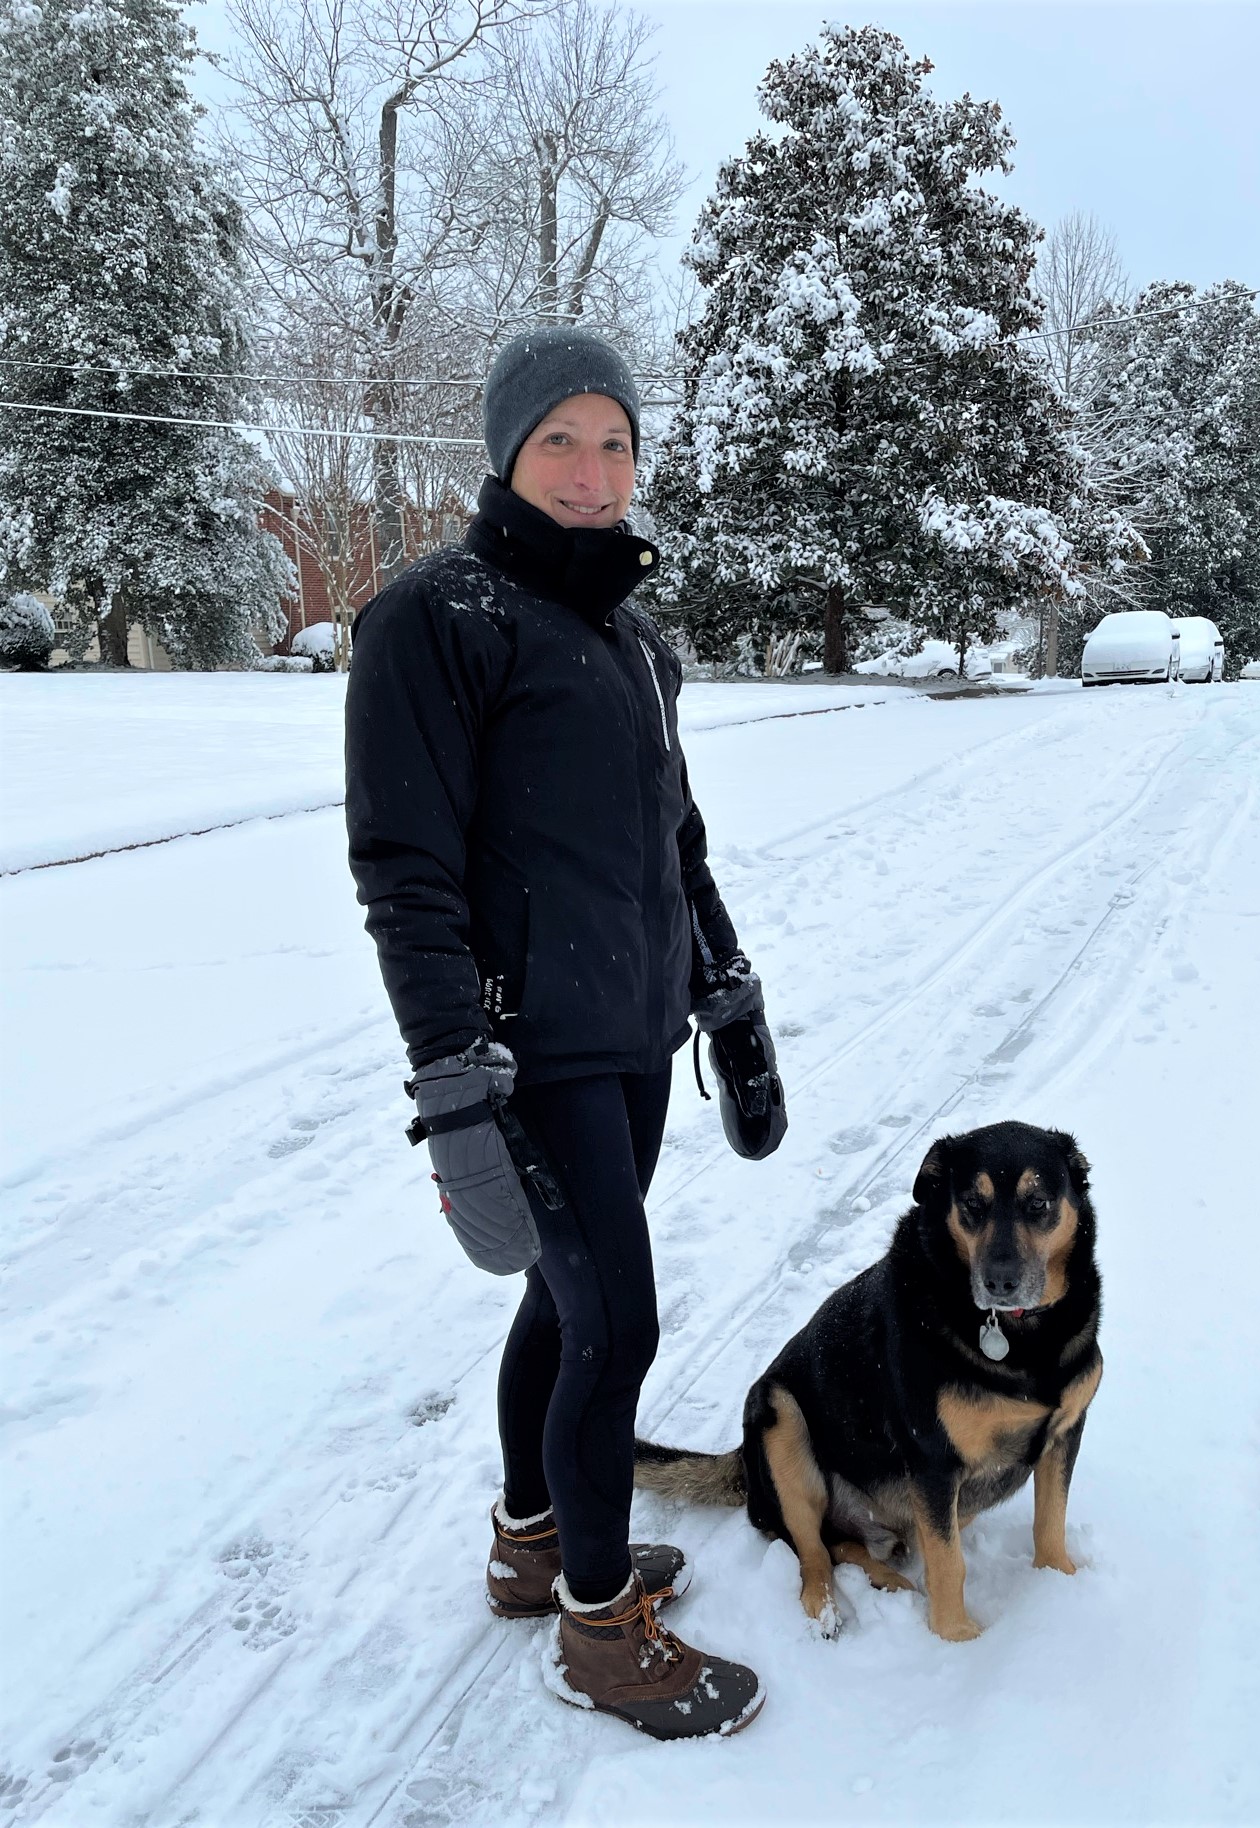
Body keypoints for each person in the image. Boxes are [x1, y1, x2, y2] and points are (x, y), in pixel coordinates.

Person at [344, 326, 785, 1741]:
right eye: (561, 443)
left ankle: (534, 1541)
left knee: (564, 1305)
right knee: (616, 1323)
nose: (595, 474)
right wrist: (453, 1088)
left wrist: (729, 992)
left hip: (637, 1031)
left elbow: (679, 840)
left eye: (616, 443)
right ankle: (604, 1632)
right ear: (506, 454)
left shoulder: (634, 639)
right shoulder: (434, 618)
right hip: (526, 1048)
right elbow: (404, 873)